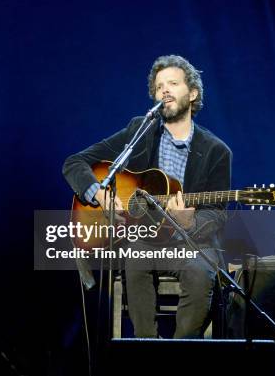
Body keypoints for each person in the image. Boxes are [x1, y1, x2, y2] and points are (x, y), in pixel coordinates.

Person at [63, 55, 231, 338]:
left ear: (192, 93)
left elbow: (217, 213)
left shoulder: (216, 151)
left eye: (173, 84)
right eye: (159, 86)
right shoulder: (140, 132)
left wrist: (189, 224)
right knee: (136, 258)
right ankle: (147, 351)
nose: (164, 90)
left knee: (200, 274)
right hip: (143, 240)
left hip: (189, 245)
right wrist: (100, 196)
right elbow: (74, 163)